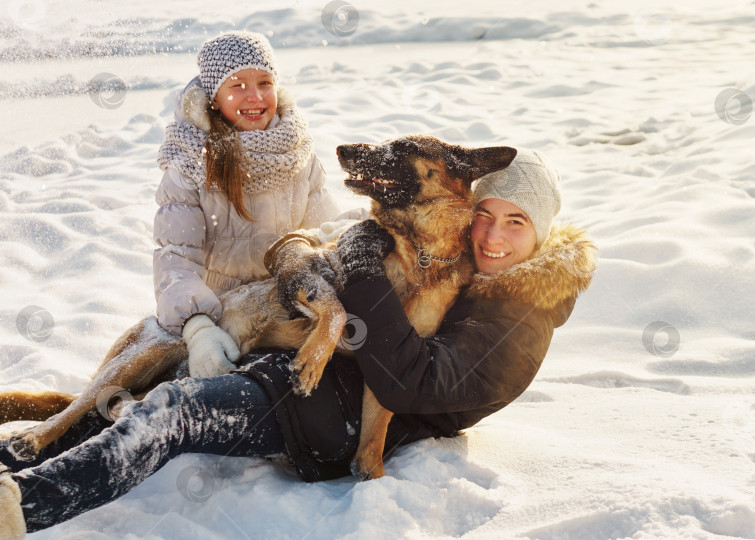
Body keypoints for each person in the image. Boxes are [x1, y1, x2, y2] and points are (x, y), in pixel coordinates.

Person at [0, 151, 596, 538]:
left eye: (515, 223)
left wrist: (358, 266)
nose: (492, 236)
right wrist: (310, 262)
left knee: (175, 412)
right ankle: (19, 459)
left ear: (540, 234)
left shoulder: (520, 324)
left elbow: (406, 379)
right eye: (485, 215)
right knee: (131, 393)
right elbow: (299, 243)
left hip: (328, 422)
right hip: (291, 362)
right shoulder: (451, 256)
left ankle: (20, 508)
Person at [151, 30, 360, 378]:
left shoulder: (297, 154)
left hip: (285, 309)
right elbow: (175, 260)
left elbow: (325, 236)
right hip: (223, 319)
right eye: (237, 85)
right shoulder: (190, 164)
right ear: (213, 98)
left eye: (264, 82)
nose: (255, 97)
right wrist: (199, 329)